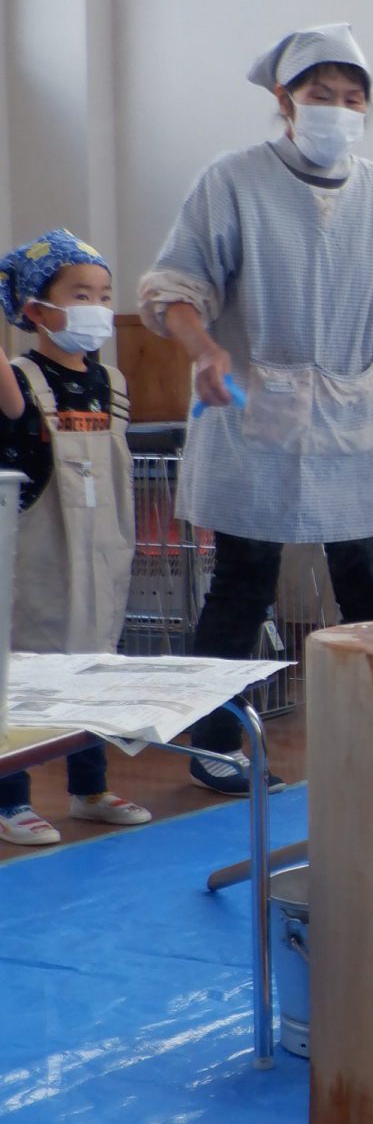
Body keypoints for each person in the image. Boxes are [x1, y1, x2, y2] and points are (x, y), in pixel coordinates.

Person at [139, 24, 373, 795]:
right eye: (322, 95)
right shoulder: (233, 180)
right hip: (255, 413)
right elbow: (177, 286)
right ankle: (217, 746)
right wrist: (204, 351)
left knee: (371, 587)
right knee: (242, 584)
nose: (338, 110)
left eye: (353, 98)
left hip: (349, 420)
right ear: (285, 100)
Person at [0, 230, 150, 845]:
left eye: (105, 295)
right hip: (37, 557)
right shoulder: (19, 379)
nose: (97, 307)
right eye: (80, 294)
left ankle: (90, 788)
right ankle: (11, 799)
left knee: (97, 667)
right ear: (36, 309)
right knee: (25, 675)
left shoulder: (112, 383)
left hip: (103, 550)